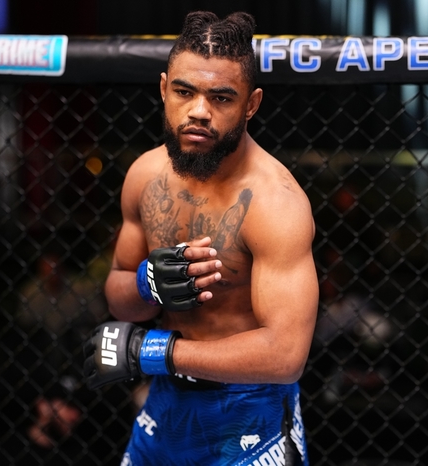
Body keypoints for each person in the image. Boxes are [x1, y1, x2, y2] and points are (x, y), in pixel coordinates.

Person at [82, 11, 319, 466]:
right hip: (167, 401)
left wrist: (153, 351)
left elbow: (286, 355)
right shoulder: (145, 176)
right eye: (184, 91)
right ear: (163, 88)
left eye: (221, 97)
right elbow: (119, 292)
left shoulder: (275, 202)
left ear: (251, 105)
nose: (199, 112)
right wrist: (146, 284)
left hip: (250, 412)